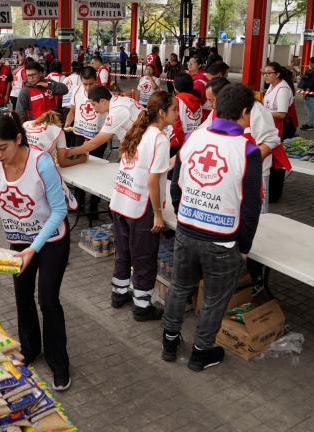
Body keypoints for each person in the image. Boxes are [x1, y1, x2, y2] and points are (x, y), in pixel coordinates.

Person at [162, 83, 262, 371]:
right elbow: (251, 208)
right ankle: (201, 352)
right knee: (215, 300)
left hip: (187, 231)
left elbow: (176, 186)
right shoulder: (247, 151)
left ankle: (169, 342)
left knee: (180, 287)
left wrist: (185, 217)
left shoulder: (194, 138)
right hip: (222, 241)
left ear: (216, 108)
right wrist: (244, 246)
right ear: (244, 112)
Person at [0, 112, 72, 391]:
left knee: (48, 299)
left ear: (18, 138)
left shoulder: (41, 164)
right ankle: (30, 349)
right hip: (19, 240)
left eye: (2, 147)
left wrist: (33, 248)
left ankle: (59, 362)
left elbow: (59, 210)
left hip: (51, 239)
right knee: (22, 294)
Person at [110, 91, 176, 321]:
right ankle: (141, 306)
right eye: (174, 109)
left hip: (120, 202)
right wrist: (158, 214)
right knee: (144, 258)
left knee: (124, 253)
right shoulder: (160, 138)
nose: (176, 114)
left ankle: (118, 294)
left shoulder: (139, 131)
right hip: (140, 207)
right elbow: (152, 180)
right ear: (162, 112)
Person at [196, 78, 281, 212]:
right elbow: (201, 133)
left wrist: (250, 165)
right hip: (228, 173)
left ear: (224, 97)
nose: (210, 105)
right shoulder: (216, 112)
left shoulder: (255, 110)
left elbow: (271, 140)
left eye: (212, 100)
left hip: (255, 174)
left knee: (255, 213)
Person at [63, 66, 106, 214]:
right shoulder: (76, 90)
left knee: (95, 170)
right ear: (80, 80)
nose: (87, 87)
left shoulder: (104, 94)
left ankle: (93, 204)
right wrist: (68, 122)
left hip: (97, 138)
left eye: (91, 84)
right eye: (85, 84)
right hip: (79, 134)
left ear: (96, 80)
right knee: (78, 168)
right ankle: (78, 202)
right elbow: (73, 111)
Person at [68, 85, 143, 158]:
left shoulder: (117, 111)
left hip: (142, 147)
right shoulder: (120, 100)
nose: (94, 109)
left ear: (102, 101)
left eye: (94, 104)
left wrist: (71, 152)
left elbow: (95, 143)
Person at [262, 61, 296, 203]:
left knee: (277, 160)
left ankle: (275, 194)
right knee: (272, 159)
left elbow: (282, 113)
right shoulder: (272, 86)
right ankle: (270, 190)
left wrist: (262, 113)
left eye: (269, 73)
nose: (266, 76)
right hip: (271, 125)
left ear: (278, 74)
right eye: (265, 73)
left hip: (281, 127)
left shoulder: (283, 89)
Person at [167, 73, 202, 153]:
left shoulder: (176, 100)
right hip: (193, 138)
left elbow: (176, 122)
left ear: (176, 87)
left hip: (178, 140)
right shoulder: (198, 101)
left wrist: (182, 141)